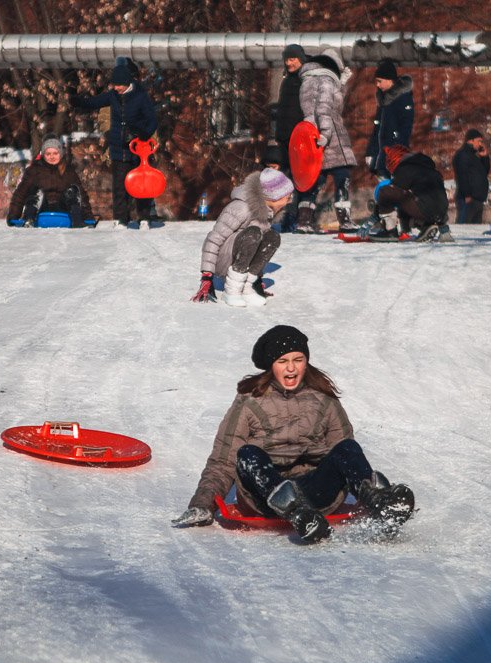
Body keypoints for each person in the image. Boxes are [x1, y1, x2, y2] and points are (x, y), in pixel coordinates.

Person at [170, 325, 415, 543]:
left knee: (347, 448)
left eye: (297, 360)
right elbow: (223, 461)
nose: (291, 368)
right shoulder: (249, 402)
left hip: (313, 491)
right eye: (282, 361)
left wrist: (359, 490)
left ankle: (380, 503)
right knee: (247, 454)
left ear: (306, 362)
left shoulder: (325, 400)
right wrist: (202, 505)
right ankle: (298, 513)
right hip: (265, 494)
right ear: (271, 365)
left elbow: (347, 459)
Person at [70, 61, 160, 228]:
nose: (116, 88)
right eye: (115, 85)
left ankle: (145, 217)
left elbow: (152, 120)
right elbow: (94, 102)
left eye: (119, 85)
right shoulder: (112, 95)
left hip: (138, 149)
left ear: (127, 83)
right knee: (120, 187)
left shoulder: (140, 95)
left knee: (141, 184)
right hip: (118, 149)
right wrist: (77, 101)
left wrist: (143, 133)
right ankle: (121, 219)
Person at [190, 168, 293, 307]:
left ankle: (246, 287)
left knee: (272, 237)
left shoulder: (267, 212)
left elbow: (258, 247)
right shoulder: (241, 208)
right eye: (287, 196)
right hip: (224, 260)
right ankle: (231, 291)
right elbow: (214, 239)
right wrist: (207, 276)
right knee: (254, 233)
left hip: (243, 255)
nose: (290, 200)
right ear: (272, 197)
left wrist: (257, 277)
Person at [295, 48, 357, 234]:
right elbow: (325, 108)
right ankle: (345, 221)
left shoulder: (307, 80)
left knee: (314, 180)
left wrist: (342, 83)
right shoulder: (327, 79)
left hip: (311, 138)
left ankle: (304, 220)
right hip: (330, 139)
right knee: (342, 177)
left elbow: (316, 106)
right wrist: (326, 133)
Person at [5, 138, 94, 228]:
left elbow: (82, 195)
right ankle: (29, 219)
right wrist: (13, 215)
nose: (52, 157)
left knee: (73, 190)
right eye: (48, 154)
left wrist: (89, 217)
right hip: (40, 210)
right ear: (43, 155)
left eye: (55, 153)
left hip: (63, 210)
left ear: (61, 154)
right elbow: (20, 193)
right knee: (35, 190)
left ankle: (77, 220)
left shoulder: (68, 171)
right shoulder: (34, 170)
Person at [368, 145, 450, 242]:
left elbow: (393, 195)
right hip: (441, 212)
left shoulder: (404, 168)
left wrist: (376, 214)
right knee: (408, 197)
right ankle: (426, 227)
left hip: (425, 210)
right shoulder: (427, 167)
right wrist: (444, 228)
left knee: (385, 191)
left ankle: (390, 231)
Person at [274, 44, 306, 231]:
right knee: (286, 179)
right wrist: (279, 134)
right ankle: (286, 215)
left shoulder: (305, 79)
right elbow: (282, 110)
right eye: (287, 59)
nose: (289, 63)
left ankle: (296, 216)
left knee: (298, 178)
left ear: (300, 59)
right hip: (286, 137)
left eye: (292, 59)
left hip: (299, 137)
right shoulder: (287, 81)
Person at [365, 59, 414, 179]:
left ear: (389, 80)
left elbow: (405, 129)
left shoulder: (403, 99)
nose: (377, 85)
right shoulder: (384, 101)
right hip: (380, 157)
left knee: (394, 190)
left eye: (379, 81)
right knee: (385, 190)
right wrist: (371, 152)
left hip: (393, 158)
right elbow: (377, 130)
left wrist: (397, 156)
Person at [452, 128, 491, 224]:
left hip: (477, 199)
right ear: (471, 140)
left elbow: (484, 173)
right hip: (468, 199)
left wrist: (484, 157)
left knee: (475, 231)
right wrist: (467, 194)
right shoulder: (463, 155)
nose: (481, 144)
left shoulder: (474, 157)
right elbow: (462, 175)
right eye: (479, 141)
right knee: (464, 228)